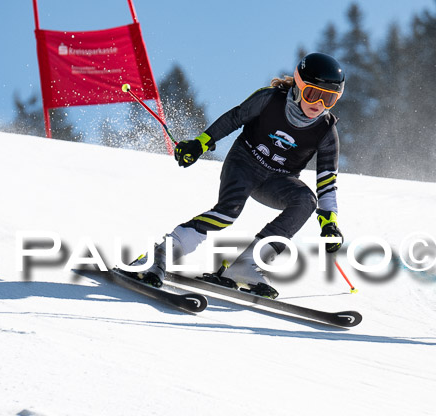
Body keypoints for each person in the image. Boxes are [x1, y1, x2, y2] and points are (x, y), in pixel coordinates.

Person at [130, 52, 346, 298]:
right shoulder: (269, 99)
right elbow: (233, 119)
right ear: (297, 86)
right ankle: (161, 253)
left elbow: (327, 180)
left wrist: (330, 223)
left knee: (305, 201)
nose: (319, 104)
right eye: (313, 94)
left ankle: (245, 265)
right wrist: (200, 144)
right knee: (227, 212)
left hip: (276, 181)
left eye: (329, 99)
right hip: (244, 163)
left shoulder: (326, 130)